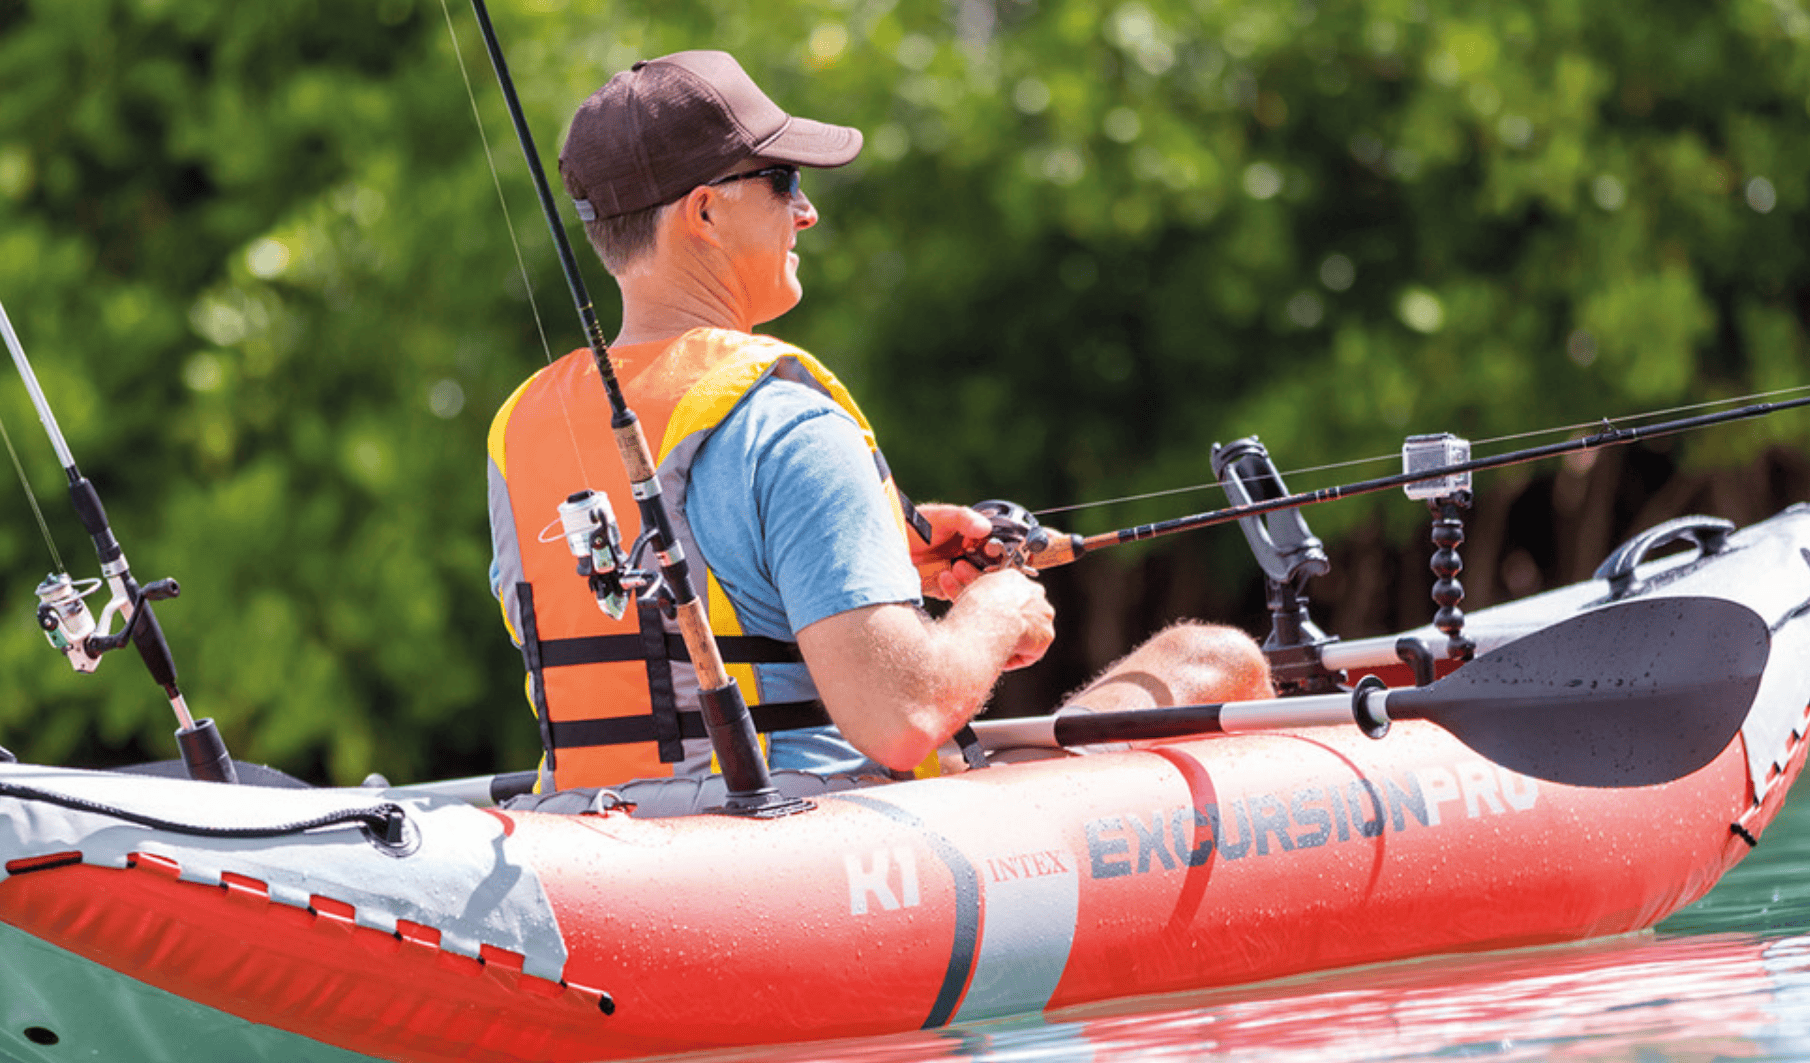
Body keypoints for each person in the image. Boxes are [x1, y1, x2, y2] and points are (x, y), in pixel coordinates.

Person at [487, 51, 1271, 809]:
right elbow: (901, 719)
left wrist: (878, 560)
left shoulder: (519, 432)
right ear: (704, 210)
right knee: (1212, 657)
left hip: (591, 837)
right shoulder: (785, 423)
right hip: (809, 852)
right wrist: (998, 606)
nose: (806, 211)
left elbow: (681, 593)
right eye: (781, 182)